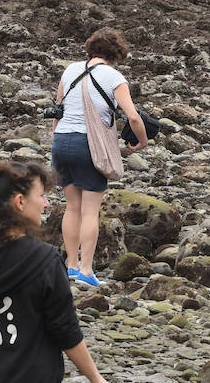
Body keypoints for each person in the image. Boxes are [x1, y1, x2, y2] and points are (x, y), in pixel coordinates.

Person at [0, 154, 108, 383]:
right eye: (41, 196)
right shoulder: (45, 261)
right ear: (20, 202)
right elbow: (66, 331)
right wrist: (96, 378)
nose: (46, 204)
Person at [50, 27, 149, 286]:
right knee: (90, 211)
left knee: (72, 207)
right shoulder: (114, 77)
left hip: (62, 142)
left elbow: (58, 110)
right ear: (116, 53)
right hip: (89, 146)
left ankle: (70, 266)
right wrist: (143, 140)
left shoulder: (70, 70)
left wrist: (57, 141)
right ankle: (85, 271)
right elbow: (134, 117)